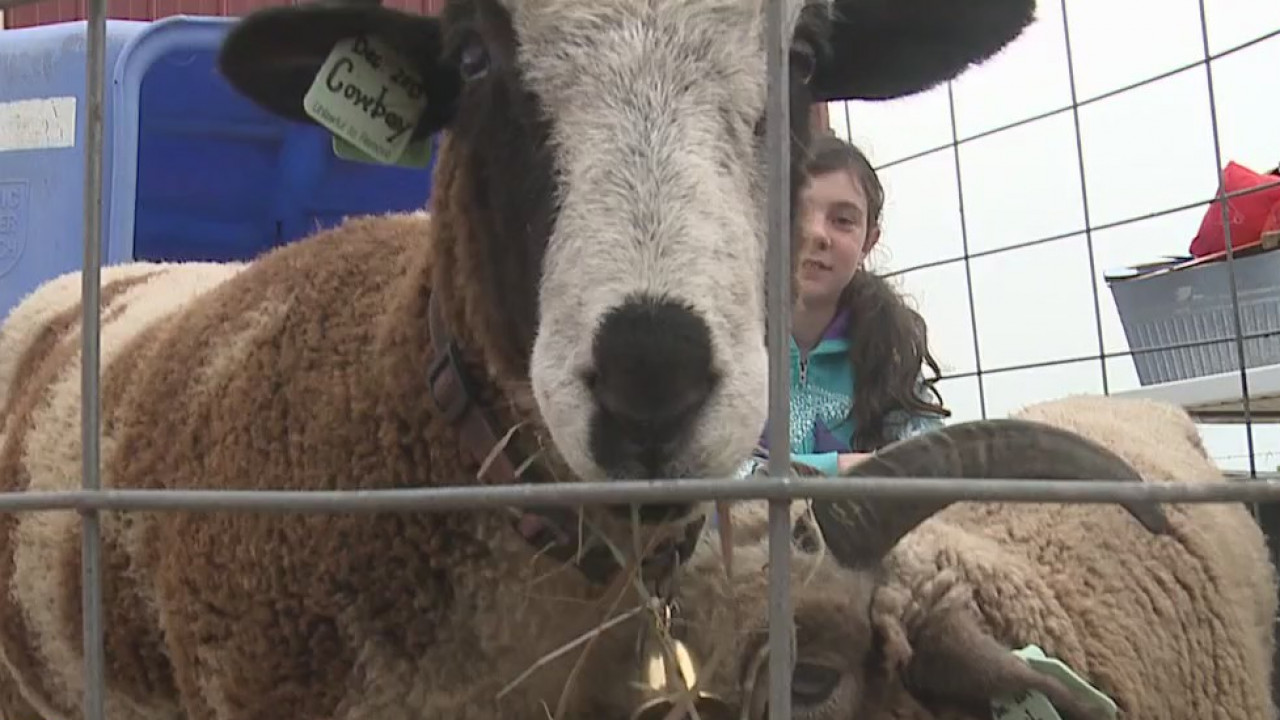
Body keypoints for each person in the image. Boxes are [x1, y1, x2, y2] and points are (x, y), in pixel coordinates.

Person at [743, 134, 950, 478]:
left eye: (842, 220)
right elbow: (700, 475)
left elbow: (927, 465)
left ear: (869, 241)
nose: (815, 233)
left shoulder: (892, 355)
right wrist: (839, 469)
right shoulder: (726, 346)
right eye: (794, 212)